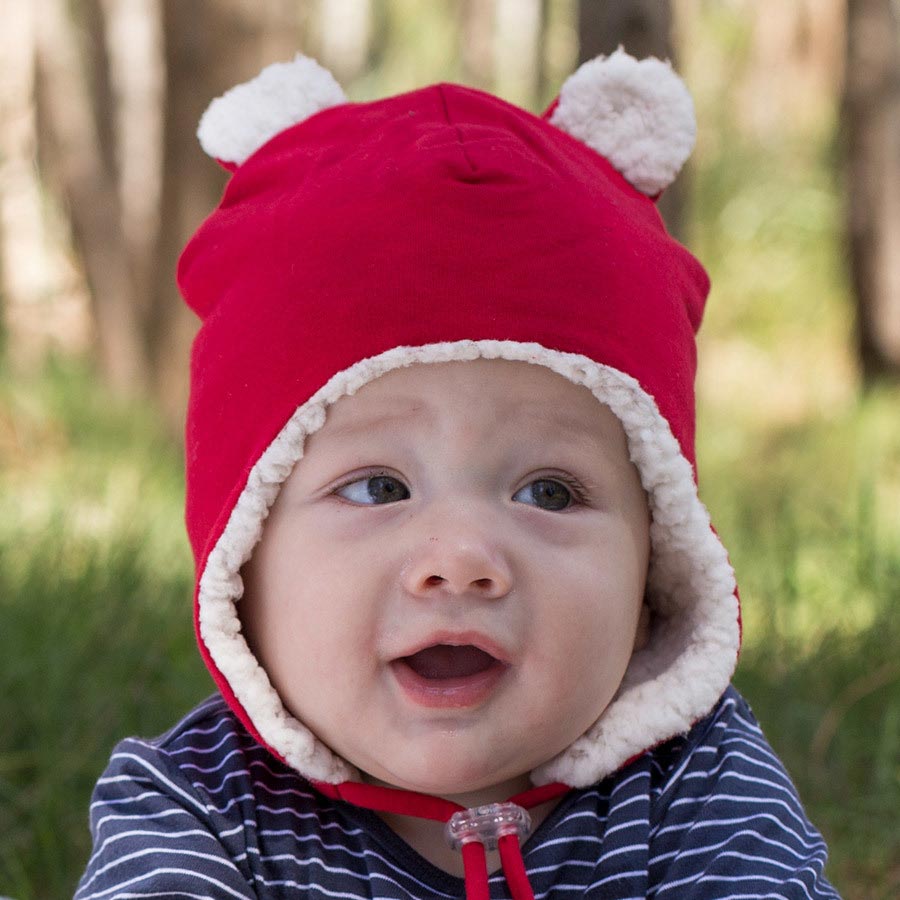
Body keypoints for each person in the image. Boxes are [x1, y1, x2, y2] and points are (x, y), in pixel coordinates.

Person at [75, 50, 840, 899]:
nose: (463, 555)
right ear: (243, 557)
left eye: (550, 491)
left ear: (655, 570)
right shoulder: (195, 809)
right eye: (377, 487)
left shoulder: (697, 790)